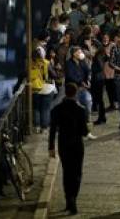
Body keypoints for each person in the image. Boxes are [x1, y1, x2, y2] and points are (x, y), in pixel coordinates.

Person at [49, 83, 89, 215]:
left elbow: (52, 130)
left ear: (65, 93)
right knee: (77, 172)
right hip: (77, 143)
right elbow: (84, 132)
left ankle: (68, 199)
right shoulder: (81, 110)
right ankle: (73, 197)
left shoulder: (57, 109)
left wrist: (51, 147)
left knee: (67, 171)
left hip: (63, 143)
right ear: (76, 93)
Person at [64, 46, 96, 139]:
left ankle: (87, 131)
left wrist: (88, 79)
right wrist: (81, 82)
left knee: (87, 106)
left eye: (81, 51)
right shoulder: (68, 63)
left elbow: (88, 71)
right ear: (74, 54)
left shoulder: (83, 62)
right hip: (74, 90)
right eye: (79, 52)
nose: (81, 53)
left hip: (83, 89)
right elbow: (70, 76)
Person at [30, 47, 54, 133]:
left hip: (34, 89)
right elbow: (53, 75)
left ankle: (37, 127)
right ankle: (44, 128)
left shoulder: (30, 64)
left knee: (36, 108)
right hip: (46, 88)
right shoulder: (46, 63)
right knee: (45, 109)